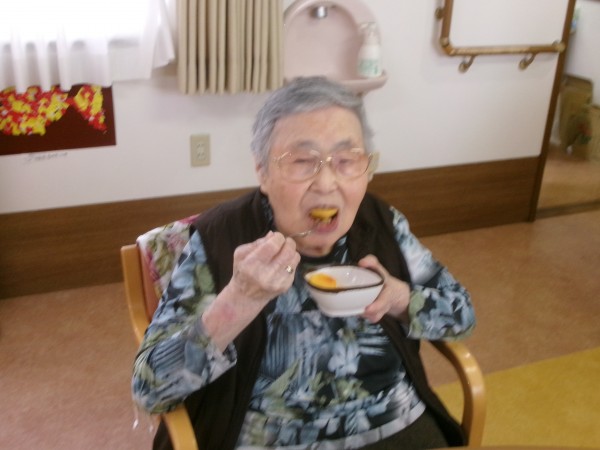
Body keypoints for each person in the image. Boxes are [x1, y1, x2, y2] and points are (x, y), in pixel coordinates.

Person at [132, 76, 476, 450]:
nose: (326, 183)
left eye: (346, 161)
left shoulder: (382, 224)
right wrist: (239, 300)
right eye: (302, 161)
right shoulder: (221, 237)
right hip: (268, 438)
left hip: (394, 423)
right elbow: (150, 388)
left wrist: (400, 299)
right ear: (262, 172)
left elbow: (461, 315)